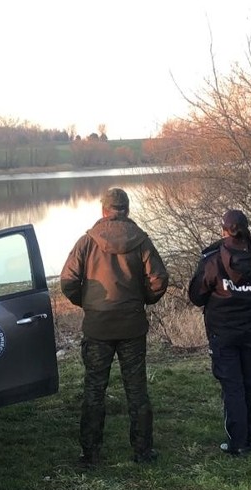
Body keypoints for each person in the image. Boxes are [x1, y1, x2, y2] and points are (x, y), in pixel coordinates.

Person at [60, 187, 169, 467]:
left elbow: (67, 281)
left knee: (94, 390)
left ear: (104, 210)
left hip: (98, 327)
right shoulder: (141, 240)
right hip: (132, 326)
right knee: (137, 390)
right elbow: (158, 280)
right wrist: (142, 300)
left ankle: (90, 453)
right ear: (127, 209)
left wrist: (87, 302)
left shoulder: (87, 242)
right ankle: (143, 452)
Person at [188, 209, 251, 455]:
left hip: (223, 333)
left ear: (224, 230)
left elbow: (197, 296)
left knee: (233, 386)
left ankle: (238, 442)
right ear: (246, 228)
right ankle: (250, 437)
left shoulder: (213, 260)